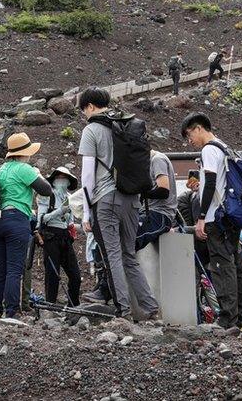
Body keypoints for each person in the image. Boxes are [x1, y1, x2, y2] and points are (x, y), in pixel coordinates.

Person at [79, 88, 159, 320]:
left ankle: (122, 310)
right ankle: (149, 307)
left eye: (84, 110)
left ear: (90, 106)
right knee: (128, 255)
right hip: (132, 199)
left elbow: (87, 175)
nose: (85, 114)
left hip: (107, 199)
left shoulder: (91, 129)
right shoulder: (125, 125)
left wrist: (86, 212)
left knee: (112, 255)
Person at [181, 112, 242, 330]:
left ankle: (227, 318)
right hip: (230, 216)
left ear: (198, 128)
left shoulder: (209, 149)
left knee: (222, 267)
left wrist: (201, 217)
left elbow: (211, 183)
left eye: (189, 135)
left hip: (216, 218)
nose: (189, 141)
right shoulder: (224, 146)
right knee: (236, 265)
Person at [0, 132, 51, 319]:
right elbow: (46, 190)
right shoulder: (24, 169)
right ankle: (12, 310)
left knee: (0, 269)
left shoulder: (1, 169)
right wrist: (37, 174)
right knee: (15, 269)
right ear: (24, 153)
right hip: (17, 220)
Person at [36, 167, 82, 306]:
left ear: (69, 182)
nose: (61, 181)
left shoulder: (70, 198)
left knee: (75, 275)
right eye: (58, 178)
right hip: (50, 237)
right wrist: (60, 211)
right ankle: (51, 304)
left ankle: (73, 304)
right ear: (54, 180)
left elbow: (71, 223)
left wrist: (84, 227)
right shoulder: (47, 195)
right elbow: (42, 219)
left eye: (64, 178)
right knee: (52, 274)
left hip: (65, 237)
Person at [137, 151, 177, 251]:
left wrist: (140, 192)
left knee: (130, 237)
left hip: (160, 213)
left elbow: (164, 191)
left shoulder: (157, 160)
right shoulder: (146, 164)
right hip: (148, 212)